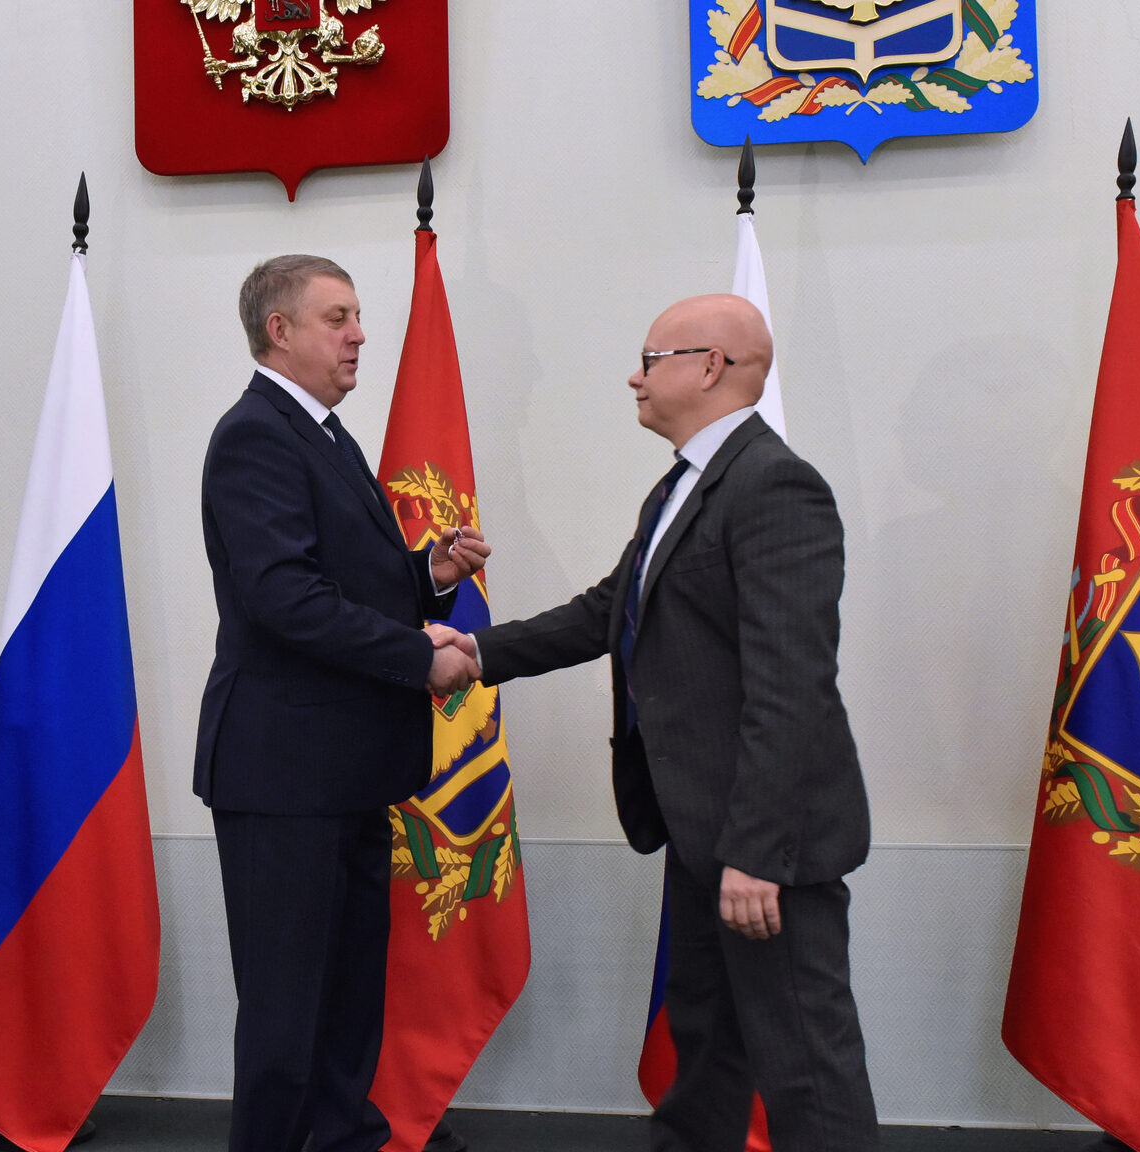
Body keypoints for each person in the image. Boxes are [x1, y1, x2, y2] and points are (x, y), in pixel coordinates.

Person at [436, 294, 879, 1151]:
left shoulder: (774, 485)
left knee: (805, 1066)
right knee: (705, 1047)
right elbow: (613, 609)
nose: (634, 378)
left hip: (765, 845)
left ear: (711, 366)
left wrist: (757, 852)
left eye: (650, 358)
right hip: (701, 827)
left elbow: (791, 686)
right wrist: (478, 652)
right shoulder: (684, 485)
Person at [196, 255, 487, 1152]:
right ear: (279, 331)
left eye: (358, 316)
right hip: (284, 776)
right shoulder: (256, 436)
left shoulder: (322, 434)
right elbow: (284, 599)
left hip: (346, 772)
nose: (360, 334)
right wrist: (417, 656)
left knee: (348, 1004)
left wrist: (426, 575)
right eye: (338, 318)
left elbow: (341, 583)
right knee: (288, 1017)